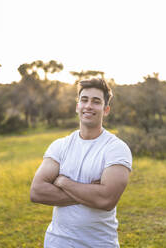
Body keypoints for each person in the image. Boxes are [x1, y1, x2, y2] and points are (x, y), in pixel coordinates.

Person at [30, 78, 132, 247]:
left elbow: (106, 200)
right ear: (77, 106)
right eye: (84, 100)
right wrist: (91, 193)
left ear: (106, 110)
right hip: (57, 241)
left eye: (96, 101)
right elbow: (37, 192)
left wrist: (63, 182)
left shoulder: (116, 148)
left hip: (98, 243)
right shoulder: (60, 146)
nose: (88, 106)